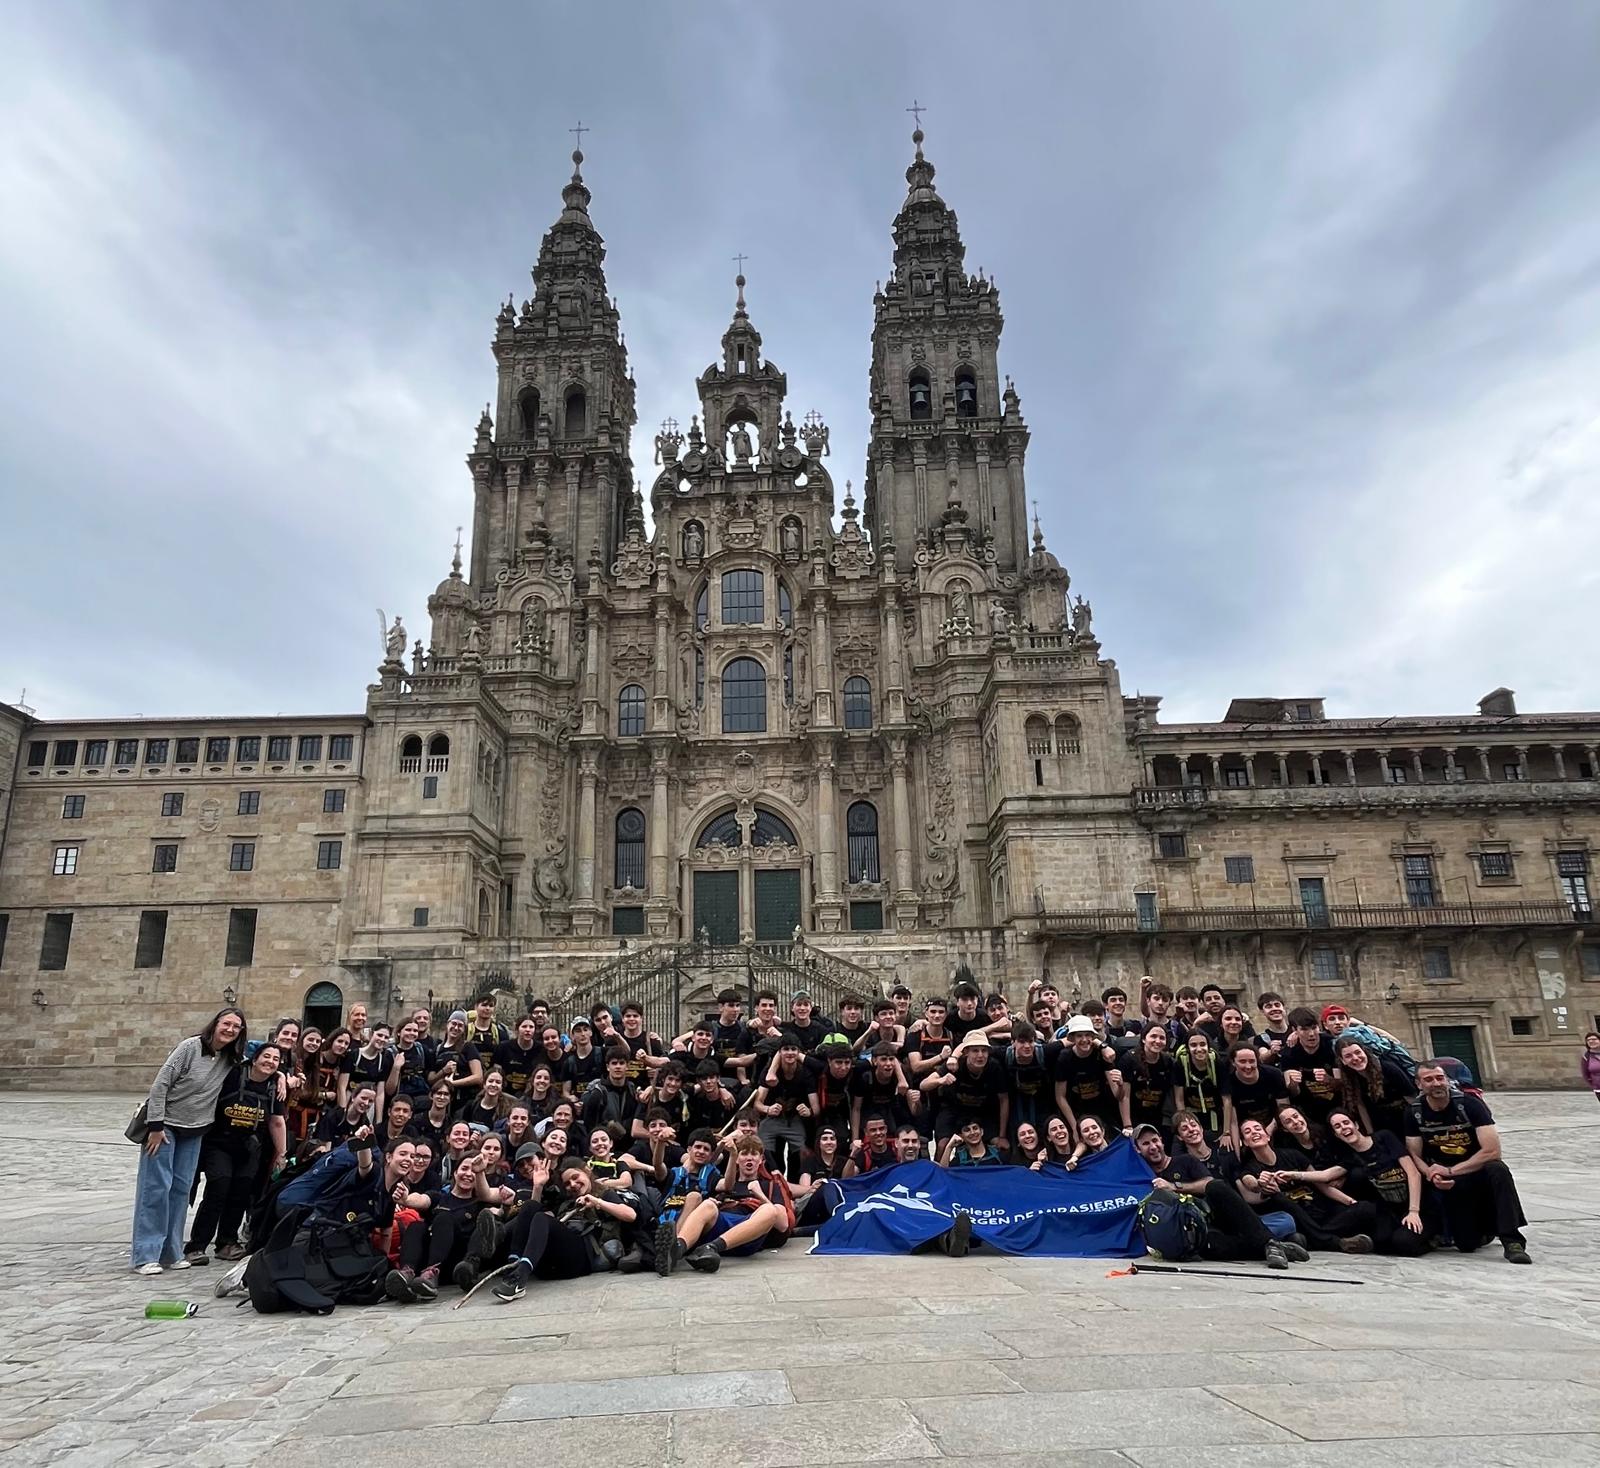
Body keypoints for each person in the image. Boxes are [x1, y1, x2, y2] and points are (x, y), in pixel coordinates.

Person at [131, 1008, 248, 1276]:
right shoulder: (190, 1047)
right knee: (156, 1189)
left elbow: (263, 1057)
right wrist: (156, 1126)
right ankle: (144, 1255)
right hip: (165, 1128)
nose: (230, 1030)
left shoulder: (231, 1058)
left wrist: (281, 1077)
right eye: (226, 1023)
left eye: (236, 1027)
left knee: (181, 1190)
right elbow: (161, 1084)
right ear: (215, 1024)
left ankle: (171, 1251)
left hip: (194, 1131)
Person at [1403, 1059, 1531, 1263]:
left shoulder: (1469, 1104)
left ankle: (1512, 1240)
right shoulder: (1414, 1113)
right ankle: (1486, 1230)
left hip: (1475, 1168)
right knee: (1466, 1244)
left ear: (1447, 1079)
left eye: (1440, 1078)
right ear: (1419, 1085)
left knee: (1498, 1169)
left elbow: (1492, 1151)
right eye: (1428, 1080)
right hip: (1447, 1178)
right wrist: (1431, 1173)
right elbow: (1414, 1154)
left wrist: (1451, 1170)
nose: (1436, 1083)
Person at [1133, 1124, 1298, 1269]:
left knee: (1284, 1220)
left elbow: (1208, 1183)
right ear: (1137, 1149)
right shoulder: (1141, 1176)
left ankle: (1268, 1241)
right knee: (1209, 1246)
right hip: (1199, 1230)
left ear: (1162, 1141)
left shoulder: (1185, 1160)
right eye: (1146, 1144)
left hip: (1219, 1215)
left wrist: (1174, 1187)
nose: (1153, 1146)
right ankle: (1273, 1245)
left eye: (1155, 1141)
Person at [183, 1039, 286, 1265]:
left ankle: (227, 1243)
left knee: (240, 1192)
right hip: (220, 1143)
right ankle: (197, 1246)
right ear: (255, 1058)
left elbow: (277, 1122)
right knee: (218, 1187)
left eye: (276, 1059)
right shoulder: (233, 1076)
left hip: (250, 1149)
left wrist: (281, 1152)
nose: (270, 1062)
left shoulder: (274, 1087)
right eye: (266, 1056)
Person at [658, 1136, 786, 1275]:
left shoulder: (770, 1185)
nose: (749, 1158)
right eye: (744, 1154)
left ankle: (711, 1248)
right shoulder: (725, 1182)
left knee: (769, 1210)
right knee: (707, 1204)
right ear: (737, 1159)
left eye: (754, 1154)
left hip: (748, 1230)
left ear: (761, 1159)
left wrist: (760, 1194)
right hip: (722, 1222)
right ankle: (677, 1249)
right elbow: (707, 1165)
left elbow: (783, 1224)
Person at [1323, 1110, 1429, 1256]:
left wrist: (1414, 1212)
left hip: (1416, 1205)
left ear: (1356, 1125)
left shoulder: (1384, 1137)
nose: (1344, 1127)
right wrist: (1293, 1174)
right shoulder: (1351, 1157)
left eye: (1346, 1122)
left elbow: (1414, 1173)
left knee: (1404, 1243)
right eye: (1338, 1126)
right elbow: (1325, 1175)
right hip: (1389, 1209)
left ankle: (1430, 1239)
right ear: (1336, 1134)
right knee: (1381, 1243)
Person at [1336, 1035, 1415, 1137]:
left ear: (1365, 1052)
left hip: (1405, 1121)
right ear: (1343, 1061)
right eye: (1348, 1056)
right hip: (1381, 1127)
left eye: (1358, 1052)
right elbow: (1361, 1106)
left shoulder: (1388, 1069)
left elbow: (1411, 1097)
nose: (1355, 1058)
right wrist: (1372, 1134)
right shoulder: (1350, 1078)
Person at [1583, 1032, 1600, 1102]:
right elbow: (1585, 1074)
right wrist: (1594, 1085)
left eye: (1594, 1039)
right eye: (1588, 1040)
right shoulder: (1586, 1056)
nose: (1591, 1041)